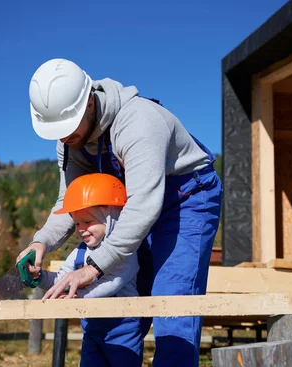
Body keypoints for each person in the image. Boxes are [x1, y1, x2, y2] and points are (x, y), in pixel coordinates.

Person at [17, 57, 222, 367]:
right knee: (122, 306)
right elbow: (69, 203)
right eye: (56, 131)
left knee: (172, 301)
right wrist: (41, 242)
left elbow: (144, 207)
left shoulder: (138, 123)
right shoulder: (71, 141)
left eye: (67, 127)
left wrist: (93, 266)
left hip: (185, 200)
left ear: (88, 103)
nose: (63, 137)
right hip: (132, 205)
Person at [35, 172, 143, 367]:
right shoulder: (80, 252)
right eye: (77, 223)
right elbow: (62, 280)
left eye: (88, 222)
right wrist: (39, 277)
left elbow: (112, 283)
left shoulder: (126, 251)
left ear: (109, 218)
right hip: (92, 329)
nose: (81, 229)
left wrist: (79, 297)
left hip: (123, 330)